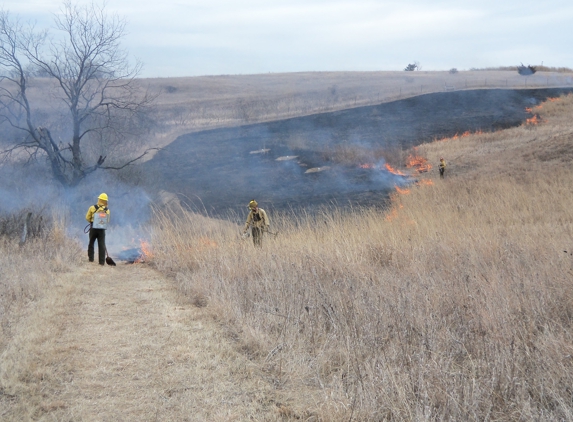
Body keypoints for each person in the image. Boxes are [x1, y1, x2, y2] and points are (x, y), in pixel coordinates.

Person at [86, 193, 110, 265]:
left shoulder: (92, 208)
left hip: (93, 228)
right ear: (106, 201)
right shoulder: (107, 210)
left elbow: (87, 217)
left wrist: (92, 221)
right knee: (102, 245)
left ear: (99, 199)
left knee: (91, 243)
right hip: (102, 230)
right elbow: (107, 220)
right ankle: (102, 262)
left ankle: (91, 259)